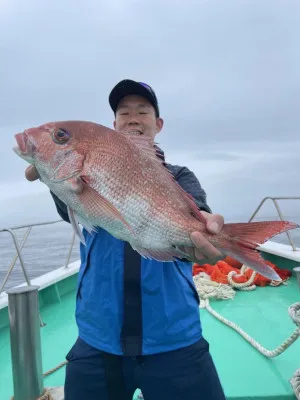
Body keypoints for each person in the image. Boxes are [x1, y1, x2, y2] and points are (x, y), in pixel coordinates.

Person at [25, 79, 226, 400]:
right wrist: (51, 172)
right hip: (97, 338)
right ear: (113, 125)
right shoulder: (84, 172)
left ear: (158, 124)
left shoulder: (180, 176)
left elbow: (199, 216)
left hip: (174, 337)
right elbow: (71, 208)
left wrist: (207, 231)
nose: (133, 118)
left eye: (142, 111)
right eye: (124, 112)